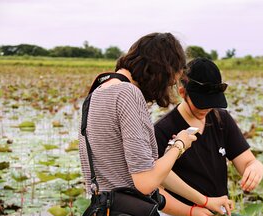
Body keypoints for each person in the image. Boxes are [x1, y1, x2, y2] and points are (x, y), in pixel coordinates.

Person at [155, 57, 263, 216]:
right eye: (201, 102)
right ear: (183, 92)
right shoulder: (163, 129)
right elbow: (155, 189)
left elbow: (247, 161)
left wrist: (255, 167)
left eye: (211, 102)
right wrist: (190, 212)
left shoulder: (222, 120)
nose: (206, 108)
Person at [79, 32, 197, 198]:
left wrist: (204, 201)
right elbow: (145, 182)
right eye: (169, 83)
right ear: (160, 72)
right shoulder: (128, 93)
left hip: (103, 214)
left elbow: (135, 169)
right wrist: (179, 145)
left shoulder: (97, 91)